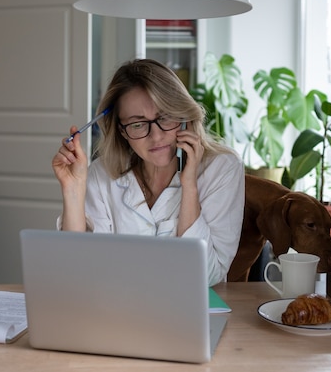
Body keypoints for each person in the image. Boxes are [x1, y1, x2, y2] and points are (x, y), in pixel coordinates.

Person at [52, 58, 244, 286]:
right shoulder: (101, 173)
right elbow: (76, 269)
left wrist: (189, 185)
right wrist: (73, 190)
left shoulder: (222, 168)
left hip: (190, 313)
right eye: (137, 124)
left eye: (164, 117)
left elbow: (207, 275)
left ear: (184, 117)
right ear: (122, 131)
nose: (156, 136)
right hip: (117, 311)